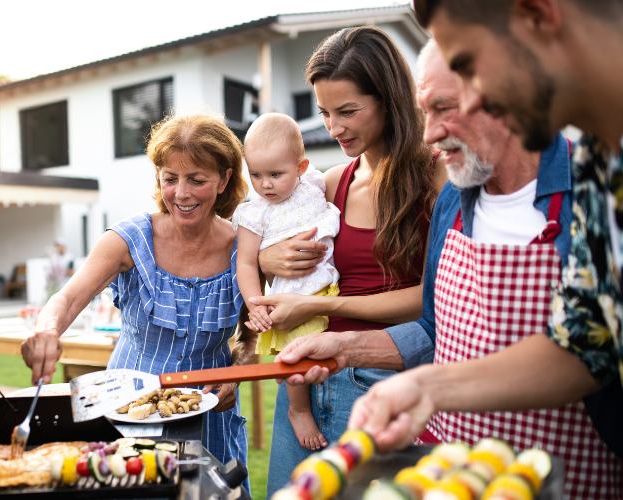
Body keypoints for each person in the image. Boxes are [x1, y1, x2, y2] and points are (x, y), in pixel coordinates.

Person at [345, 0, 623, 465]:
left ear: (537, 18)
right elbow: (584, 342)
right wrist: (425, 386)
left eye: (469, 68)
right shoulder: (602, 159)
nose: (475, 99)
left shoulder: (582, 175)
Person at [257, 26, 447, 497]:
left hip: (378, 383)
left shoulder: (435, 174)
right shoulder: (329, 183)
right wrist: (267, 257)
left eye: (347, 111)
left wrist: (322, 307)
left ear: (388, 100)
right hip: (304, 380)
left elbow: (437, 299)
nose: (333, 128)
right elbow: (267, 237)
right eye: (324, 112)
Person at [20, 113, 254, 489]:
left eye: (197, 180)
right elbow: (66, 298)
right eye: (170, 178)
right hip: (129, 413)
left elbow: (251, 334)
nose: (181, 193)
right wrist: (47, 330)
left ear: (224, 179)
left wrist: (235, 376)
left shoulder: (244, 248)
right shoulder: (129, 239)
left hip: (210, 418)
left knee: (210, 495)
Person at [233, 112, 340, 450]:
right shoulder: (255, 213)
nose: (265, 185)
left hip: (330, 287)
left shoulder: (315, 184)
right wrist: (255, 305)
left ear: (301, 167)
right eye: (256, 174)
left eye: (275, 175)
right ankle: (298, 409)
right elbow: (245, 263)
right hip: (293, 294)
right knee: (296, 354)